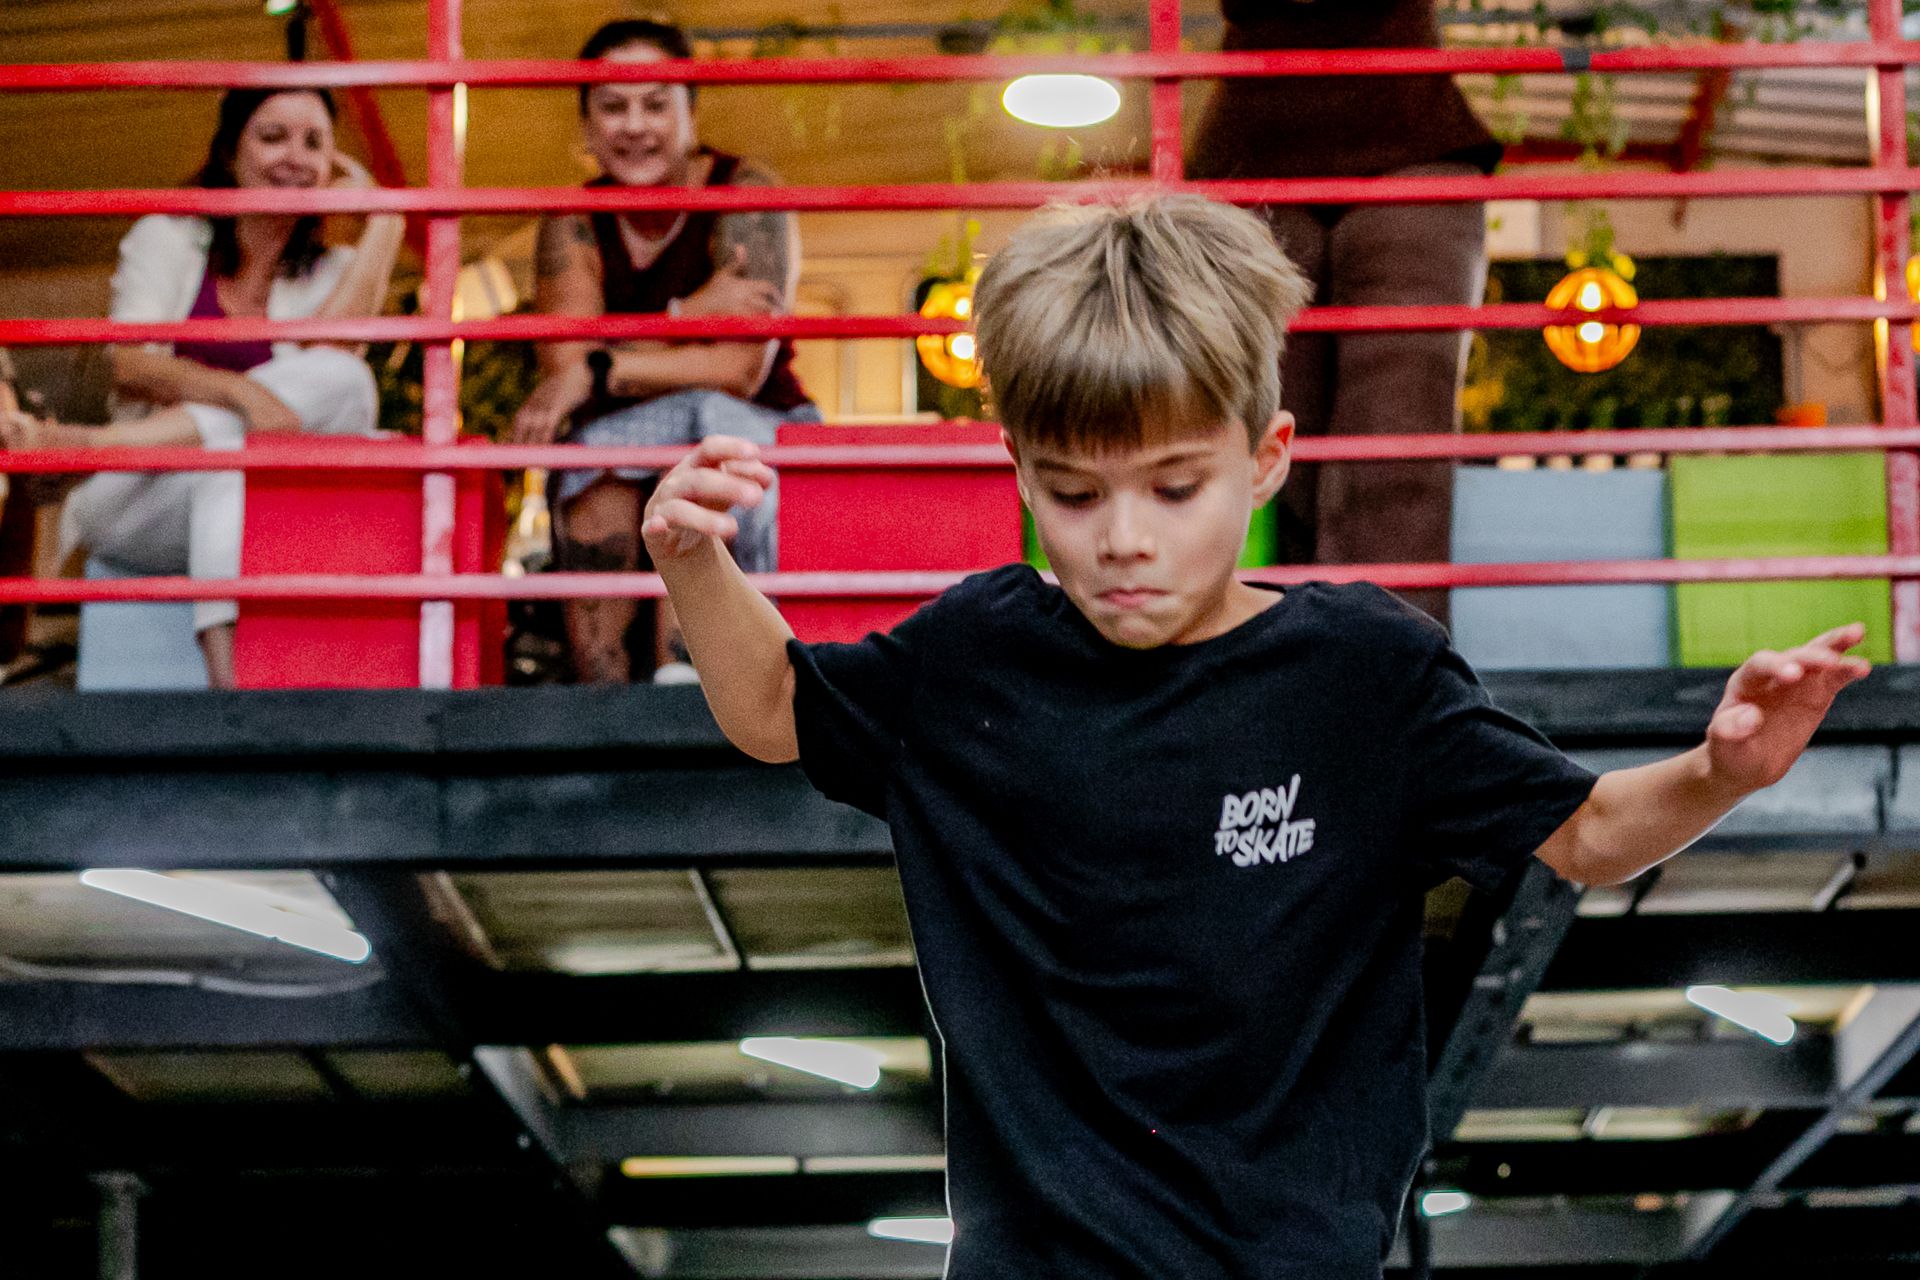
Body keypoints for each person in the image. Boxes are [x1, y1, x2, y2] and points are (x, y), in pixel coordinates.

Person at [632, 195, 1868, 1277]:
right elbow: (776, 711)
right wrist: (694, 562)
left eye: (1175, 486)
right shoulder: (975, 657)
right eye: (1074, 490)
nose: (1124, 536)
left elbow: (1585, 832)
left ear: (1266, 459)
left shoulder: (1362, 675)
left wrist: (1722, 771)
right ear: (1017, 468)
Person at [3, 87, 403, 688]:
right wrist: (241, 395)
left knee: (333, 385)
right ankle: (233, 694)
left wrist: (386, 223)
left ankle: (228, 696)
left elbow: (338, 363)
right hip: (141, 497)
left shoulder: (338, 271)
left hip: (262, 504)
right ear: (228, 155)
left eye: (314, 143)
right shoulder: (166, 236)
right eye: (273, 137)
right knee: (234, 453)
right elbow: (129, 365)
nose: (294, 156)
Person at [512, 17, 820, 685]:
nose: (635, 125)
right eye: (613, 106)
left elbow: (739, 368)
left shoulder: (746, 189)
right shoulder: (573, 220)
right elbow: (562, 370)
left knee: (712, 443)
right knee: (598, 472)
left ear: (690, 109)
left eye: (656, 103)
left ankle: (701, 687)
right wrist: (691, 314)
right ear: (588, 125)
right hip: (624, 435)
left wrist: (602, 364)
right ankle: (609, 710)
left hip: (751, 423)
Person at [1191, 0, 1499, 625]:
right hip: (1256, 142)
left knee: (1395, 445)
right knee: (1274, 450)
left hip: (1407, 130)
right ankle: (1319, 664)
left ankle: (1385, 676)